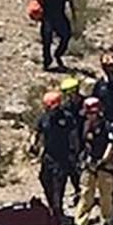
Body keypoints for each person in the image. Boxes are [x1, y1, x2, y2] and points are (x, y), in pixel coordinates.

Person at [30, 90, 76, 218]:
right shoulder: (44, 118)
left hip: (63, 156)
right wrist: (34, 144)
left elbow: (73, 135)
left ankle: (58, 210)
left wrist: (74, 152)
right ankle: (52, 207)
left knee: (58, 185)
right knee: (45, 180)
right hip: (48, 156)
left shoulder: (67, 117)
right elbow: (36, 132)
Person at [74, 97, 113, 225]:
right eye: (87, 114)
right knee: (86, 193)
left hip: (104, 165)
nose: (89, 116)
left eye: (91, 113)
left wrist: (103, 160)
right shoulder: (86, 125)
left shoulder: (106, 126)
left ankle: (107, 222)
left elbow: (111, 144)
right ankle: (80, 223)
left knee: (105, 195)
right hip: (89, 163)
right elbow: (85, 143)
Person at [34, 0, 76, 71]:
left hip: (60, 16)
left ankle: (58, 54)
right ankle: (47, 62)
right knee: (47, 40)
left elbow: (70, 0)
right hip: (48, 17)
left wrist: (74, 13)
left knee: (66, 35)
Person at [60, 76, 84, 203]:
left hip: (85, 138)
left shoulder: (86, 104)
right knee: (73, 168)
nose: (69, 97)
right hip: (72, 141)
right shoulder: (65, 108)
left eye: (71, 93)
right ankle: (78, 190)